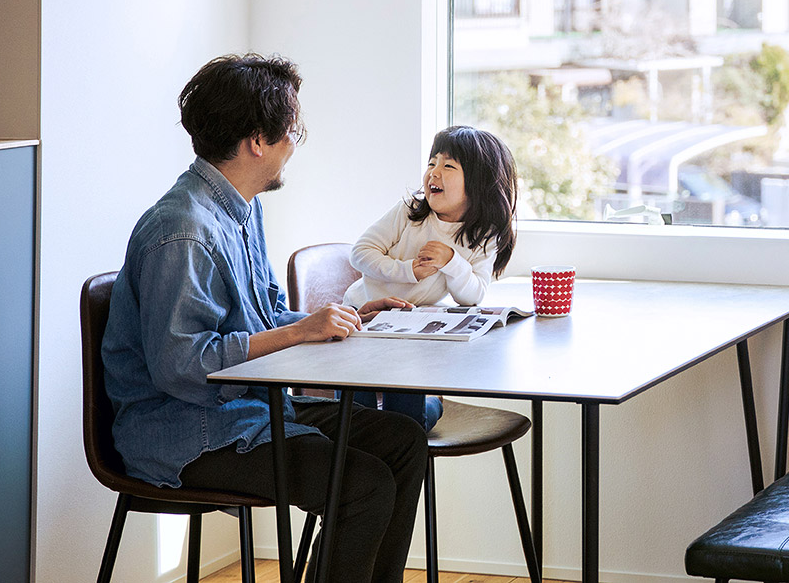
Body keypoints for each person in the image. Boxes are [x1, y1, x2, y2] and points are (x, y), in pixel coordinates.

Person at [102, 53, 427, 583]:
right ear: (258, 140)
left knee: (402, 441)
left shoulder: (241, 206)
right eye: (291, 131)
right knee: (364, 485)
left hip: (248, 408)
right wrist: (301, 331)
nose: (294, 145)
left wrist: (341, 318)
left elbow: (264, 317)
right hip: (186, 429)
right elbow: (179, 364)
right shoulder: (183, 230)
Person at [346, 125, 518, 427]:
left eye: (448, 165)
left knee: (406, 418)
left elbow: (473, 295)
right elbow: (360, 252)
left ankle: (422, 416)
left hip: (408, 336)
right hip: (363, 320)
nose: (433, 173)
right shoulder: (410, 211)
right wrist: (407, 270)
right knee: (354, 416)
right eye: (431, 163)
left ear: (478, 184)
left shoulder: (482, 235)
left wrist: (452, 261)